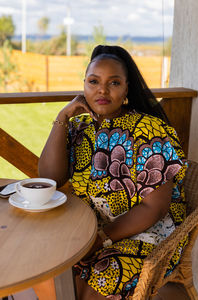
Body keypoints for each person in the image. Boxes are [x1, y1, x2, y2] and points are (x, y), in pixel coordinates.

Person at [38, 45, 188, 300]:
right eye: (94, 81)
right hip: (89, 227)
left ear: (126, 89)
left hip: (148, 232)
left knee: (97, 279)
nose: (102, 90)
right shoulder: (80, 126)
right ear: (83, 86)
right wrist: (62, 117)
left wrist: (101, 239)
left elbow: (155, 209)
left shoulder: (148, 130)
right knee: (45, 267)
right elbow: (50, 178)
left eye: (114, 82)